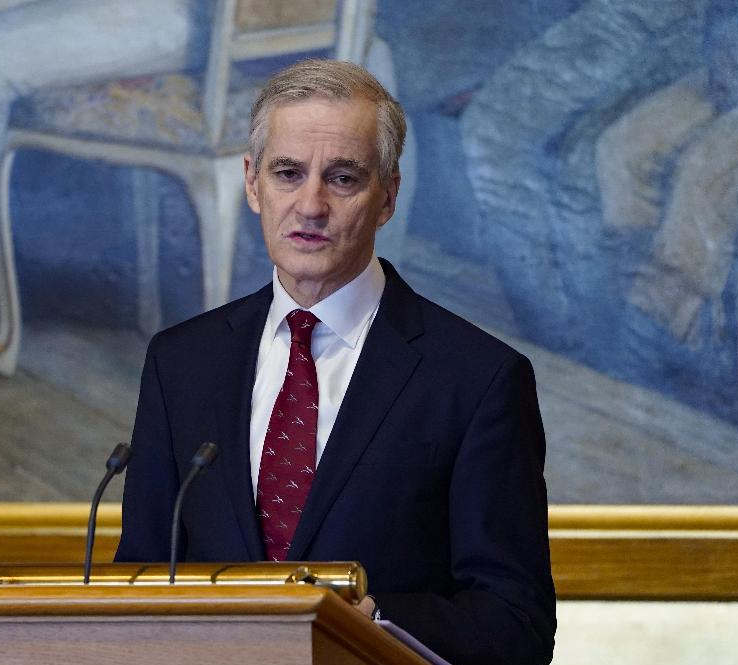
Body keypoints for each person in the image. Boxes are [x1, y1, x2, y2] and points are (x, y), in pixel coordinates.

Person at [115, 59, 556, 665]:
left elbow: (516, 624)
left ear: (388, 196)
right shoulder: (180, 363)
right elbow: (138, 581)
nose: (311, 205)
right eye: (287, 173)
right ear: (252, 183)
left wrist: (367, 620)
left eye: (343, 178)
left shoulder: (478, 379)